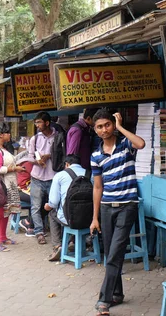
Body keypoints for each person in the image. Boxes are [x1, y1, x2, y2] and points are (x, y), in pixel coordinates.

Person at [89, 109, 145, 316]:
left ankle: (104, 299)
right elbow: (97, 187)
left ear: (113, 125)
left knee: (115, 253)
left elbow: (141, 144)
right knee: (111, 252)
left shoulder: (126, 146)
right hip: (106, 208)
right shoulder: (96, 156)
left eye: (107, 125)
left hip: (127, 206)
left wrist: (122, 127)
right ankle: (117, 294)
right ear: (95, 130)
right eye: (99, 127)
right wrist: (94, 218)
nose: (104, 130)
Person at [45, 154, 89, 261]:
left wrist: (47, 206)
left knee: (52, 214)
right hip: (89, 218)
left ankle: (57, 246)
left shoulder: (60, 176)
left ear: (67, 164)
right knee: (78, 213)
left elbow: (54, 203)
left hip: (69, 218)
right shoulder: (89, 174)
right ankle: (72, 242)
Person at [0, 122, 23, 252]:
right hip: (1, 186)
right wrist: (14, 168)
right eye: (7, 132)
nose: (9, 134)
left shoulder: (2, 148)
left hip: (7, 185)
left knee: (5, 213)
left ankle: (2, 237)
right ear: (1, 135)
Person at [28, 111, 58, 244]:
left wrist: (48, 156)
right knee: (35, 206)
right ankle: (39, 232)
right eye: (36, 122)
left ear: (47, 123)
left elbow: (61, 153)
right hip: (37, 177)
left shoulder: (57, 136)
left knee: (53, 205)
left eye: (39, 122)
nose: (37, 125)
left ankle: (56, 233)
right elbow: (29, 157)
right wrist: (37, 161)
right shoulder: (35, 138)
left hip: (53, 177)